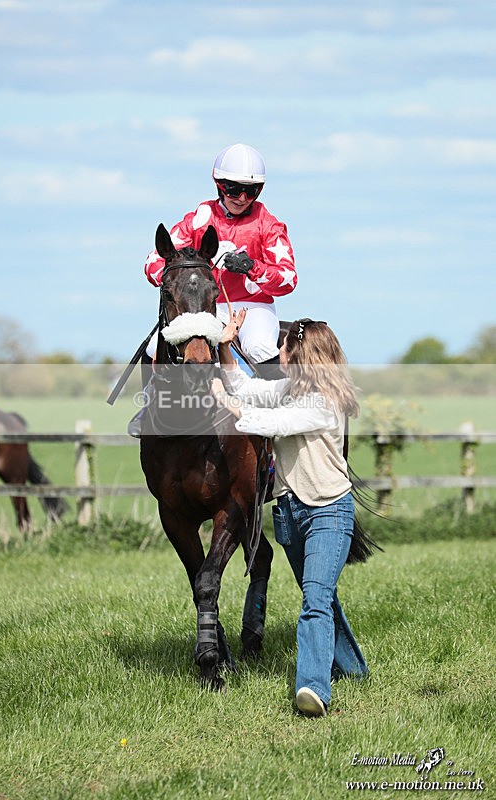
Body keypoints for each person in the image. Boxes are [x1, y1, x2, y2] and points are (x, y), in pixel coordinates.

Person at [211, 313, 368, 717]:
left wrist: (225, 402)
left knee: (315, 599)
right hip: (290, 514)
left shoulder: (324, 402)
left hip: (328, 512)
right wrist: (226, 346)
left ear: (301, 354)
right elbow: (247, 387)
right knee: (321, 596)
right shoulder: (290, 388)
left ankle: (312, 688)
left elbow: (272, 423)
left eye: (284, 345)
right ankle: (353, 669)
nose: (278, 349)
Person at [128, 143, 298, 437]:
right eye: (234, 189)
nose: (242, 198)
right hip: (203, 306)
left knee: (258, 346)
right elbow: (153, 262)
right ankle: (149, 406)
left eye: (251, 191)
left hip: (252, 307)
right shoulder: (199, 218)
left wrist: (252, 267)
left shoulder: (269, 225)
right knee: (155, 345)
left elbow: (288, 278)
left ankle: (279, 420)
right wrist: (175, 278)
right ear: (219, 184)